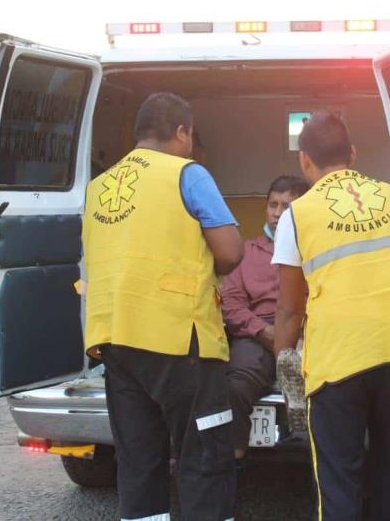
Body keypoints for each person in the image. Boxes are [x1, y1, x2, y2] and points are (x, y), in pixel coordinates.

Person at [271, 111, 390, 520]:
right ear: (352, 153)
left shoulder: (297, 215)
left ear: (304, 160)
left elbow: (290, 307)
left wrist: (285, 366)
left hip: (341, 359)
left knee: (339, 479)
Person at [81, 92, 243, 521]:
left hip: (115, 337)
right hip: (179, 337)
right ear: (182, 132)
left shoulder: (99, 187)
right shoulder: (187, 174)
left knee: (138, 461)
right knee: (203, 458)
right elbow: (229, 252)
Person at [221, 175, 309, 460]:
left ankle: (312, 454)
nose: (277, 213)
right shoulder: (246, 251)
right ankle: (233, 462)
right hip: (256, 335)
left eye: (286, 206)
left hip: (305, 334)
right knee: (233, 387)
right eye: (273, 205)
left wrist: (297, 334)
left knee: (327, 388)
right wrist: (262, 331)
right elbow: (231, 303)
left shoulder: (315, 250)